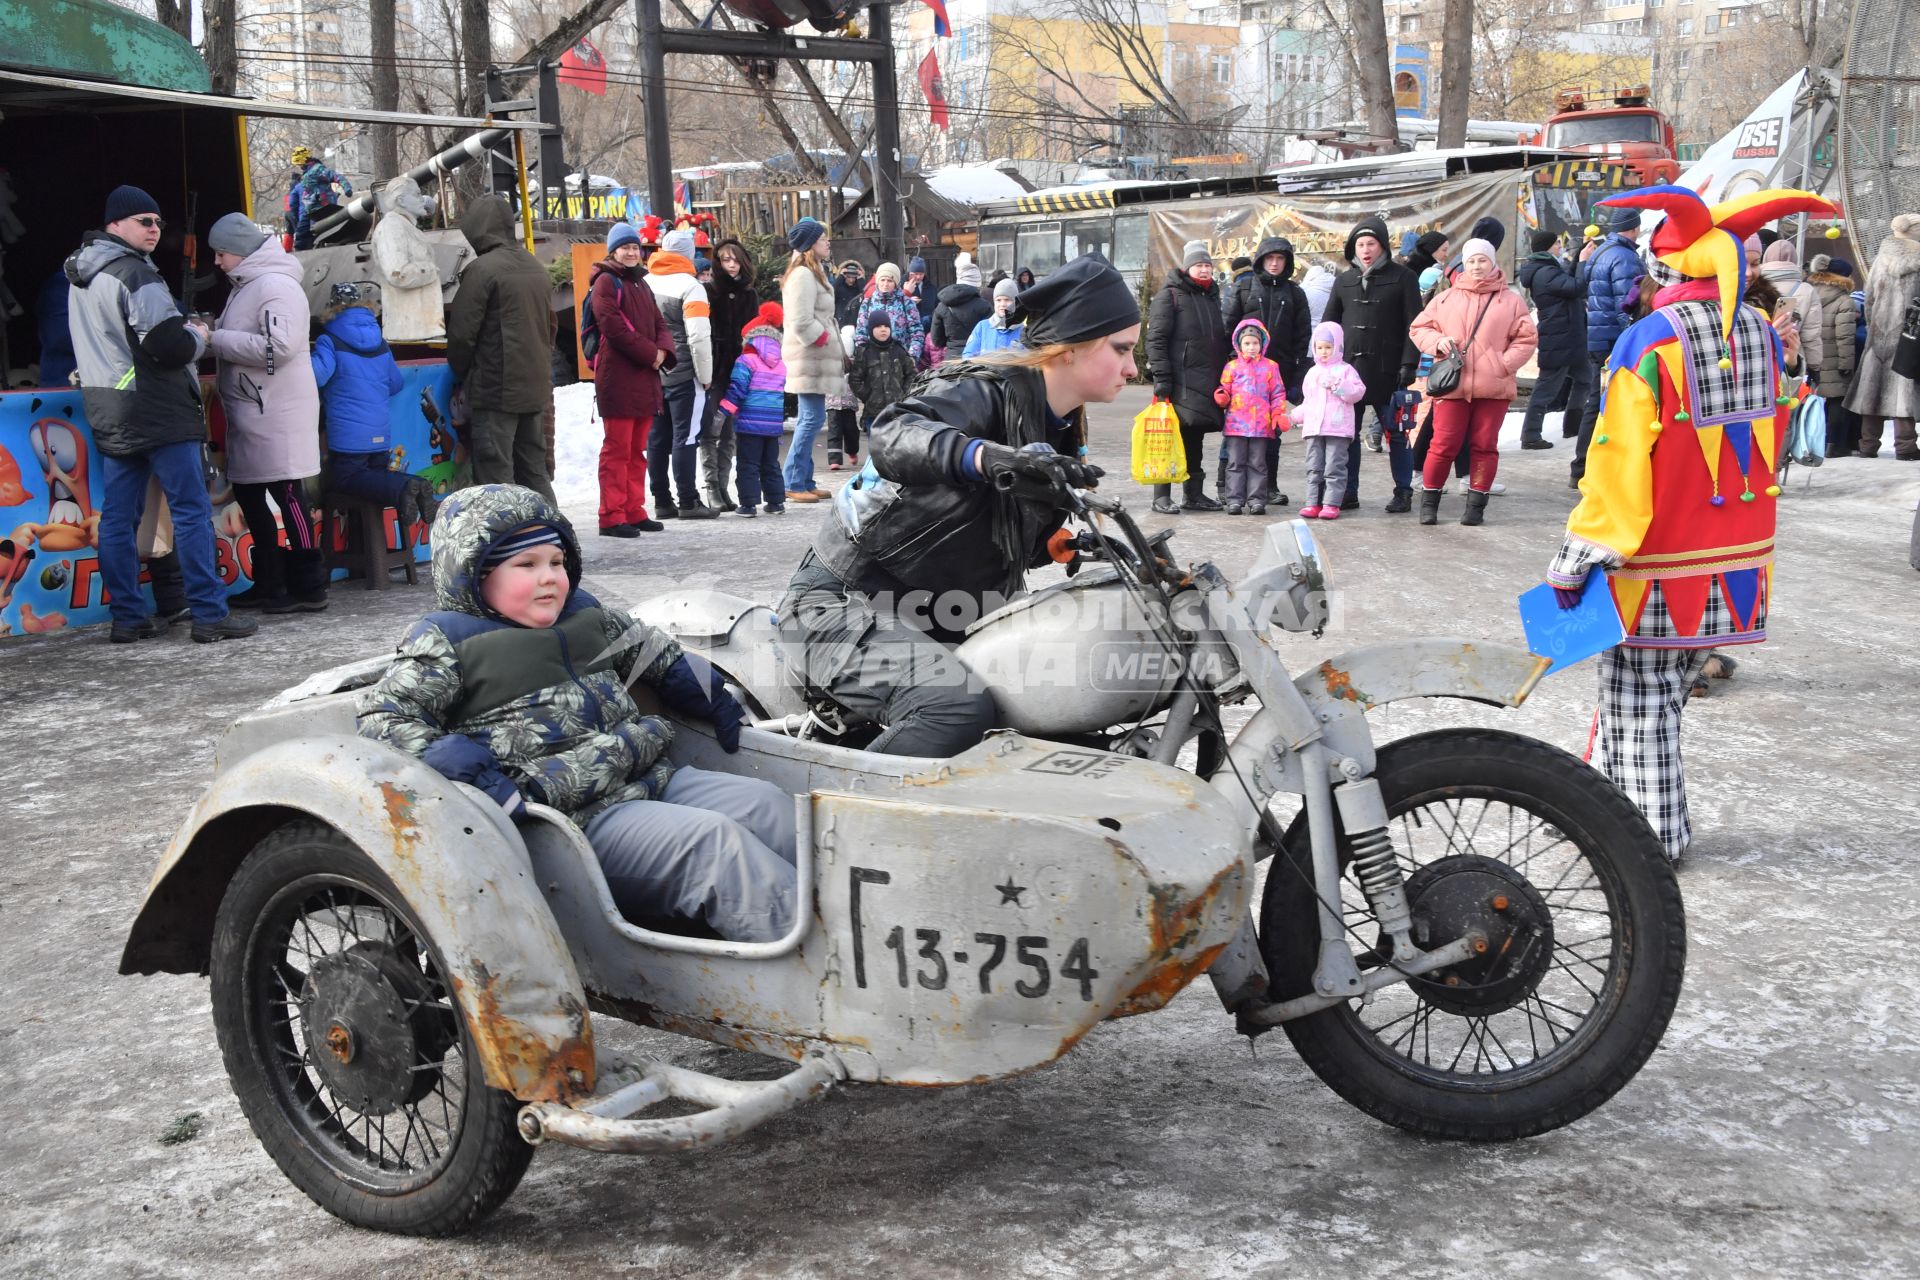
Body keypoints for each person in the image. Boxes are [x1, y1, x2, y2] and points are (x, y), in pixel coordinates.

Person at [357, 484, 795, 941]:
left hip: (649, 774)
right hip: (572, 821)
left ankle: (845, 926)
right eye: (526, 565)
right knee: (714, 848)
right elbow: (384, 719)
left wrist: (703, 688)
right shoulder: (448, 642)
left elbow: (651, 649)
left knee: (766, 805)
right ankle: (820, 970)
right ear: (472, 575)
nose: (549, 577)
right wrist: (457, 765)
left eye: (556, 562)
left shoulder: (585, 613)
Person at [1545, 186, 1834, 861]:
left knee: (1636, 710)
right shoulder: (1760, 334)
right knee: (1658, 704)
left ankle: (1645, 849)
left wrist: (1577, 554)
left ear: (1666, 270)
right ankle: (1617, 832)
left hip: (1652, 569)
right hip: (1733, 568)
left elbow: (1617, 465)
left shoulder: (1648, 342)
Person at [779, 253, 1131, 757]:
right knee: (954, 707)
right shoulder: (979, 389)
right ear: (1070, 349)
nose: (1133, 367)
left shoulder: (1058, 421)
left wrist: (1056, 544)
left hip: (940, 614)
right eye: (1121, 349)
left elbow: (985, 523)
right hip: (839, 604)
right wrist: (984, 456)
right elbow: (893, 432)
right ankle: (838, 820)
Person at [67, 186, 255, 644]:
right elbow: (168, 347)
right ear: (116, 225)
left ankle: (128, 619)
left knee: (117, 518)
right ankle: (210, 614)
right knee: (191, 512)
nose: (154, 230)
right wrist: (201, 333)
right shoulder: (136, 275)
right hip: (159, 409)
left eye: (157, 223)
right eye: (143, 221)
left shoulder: (80, 277)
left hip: (110, 409)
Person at [204, 213, 326, 613]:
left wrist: (216, 338)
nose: (217, 262)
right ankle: (270, 580)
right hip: (256, 409)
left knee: (287, 493)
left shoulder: (273, 284)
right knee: (252, 493)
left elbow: (278, 350)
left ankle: (308, 585)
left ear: (239, 251)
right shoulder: (249, 285)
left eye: (221, 253)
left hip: (276, 410)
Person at [1409, 238, 1537, 527]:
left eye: (1482, 260)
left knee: (1484, 446)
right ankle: (1429, 503)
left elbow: (1526, 338)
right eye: (1471, 261)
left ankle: (1476, 506)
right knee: (1443, 445)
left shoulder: (1511, 301)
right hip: (1453, 387)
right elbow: (1418, 328)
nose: (1477, 266)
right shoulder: (1446, 299)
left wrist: (1504, 364)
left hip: (1493, 389)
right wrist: (1438, 342)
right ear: (1463, 265)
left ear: (1492, 262)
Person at [446, 196, 557, 503]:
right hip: (533, 388)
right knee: (534, 471)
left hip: (497, 390)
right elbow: (549, 328)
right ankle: (555, 541)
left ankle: (507, 546)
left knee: (496, 476)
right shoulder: (535, 266)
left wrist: (462, 373)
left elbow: (462, 335)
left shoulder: (482, 271)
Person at [312, 283, 435, 528]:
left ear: (332, 309)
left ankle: (404, 486)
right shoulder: (380, 342)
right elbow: (396, 383)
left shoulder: (330, 339)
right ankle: (412, 485)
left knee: (344, 480)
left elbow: (316, 375)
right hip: (380, 433)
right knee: (371, 482)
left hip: (348, 438)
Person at [1322, 216, 1423, 512]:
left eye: (1371, 244)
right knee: (1347, 436)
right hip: (1349, 372)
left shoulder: (1404, 278)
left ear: (1383, 246)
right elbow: (1329, 326)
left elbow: (1414, 325)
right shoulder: (1344, 281)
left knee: (1397, 433)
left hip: (1389, 370)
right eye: (1360, 244)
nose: (1365, 250)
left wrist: (1409, 363)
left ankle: (1403, 491)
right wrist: (1326, 365)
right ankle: (1348, 492)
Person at [589, 222, 674, 538]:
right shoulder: (606, 283)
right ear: (613, 251)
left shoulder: (642, 284)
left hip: (644, 377)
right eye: (625, 247)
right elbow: (613, 327)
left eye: (635, 247)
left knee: (637, 450)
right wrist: (651, 354)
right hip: (618, 378)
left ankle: (633, 510)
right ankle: (611, 516)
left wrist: (663, 350)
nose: (631, 252)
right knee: (617, 450)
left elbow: (659, 322)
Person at [1146, 240, 1232, 514]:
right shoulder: (1169, 296)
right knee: (1168, 438)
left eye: (1208, 265)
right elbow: (1156, 340)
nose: (1205, 270)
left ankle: (1193, 495)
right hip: (1177, 381)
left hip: (1205, 381)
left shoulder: (1210, 297)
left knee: (1195, 437)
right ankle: (1161, 496)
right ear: (1187, 268)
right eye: (1199, 265)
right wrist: (1162, 379)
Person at [1223, 235, 1311, 504]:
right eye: (1270, 258)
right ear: (1261, 259)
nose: (1274, 264)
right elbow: (1227, 328)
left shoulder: (1295, 293)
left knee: (1272, 434)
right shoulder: (1244, 287)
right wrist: (1227, 370)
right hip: (1241, 378)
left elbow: (1302, 336)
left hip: (1275, 376)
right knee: (1234, 435)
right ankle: (1226, 488)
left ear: (1287, 262)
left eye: (1280, 259)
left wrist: (1297, 376)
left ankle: (1268, 487)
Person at [642, 227, 717, 520]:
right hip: (684, 373)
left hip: (652, 371)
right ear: (689, 255)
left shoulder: (645, 282)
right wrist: (705, 374)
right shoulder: (692, 286)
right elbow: (698, 337)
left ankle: (662, 501)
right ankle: (689, 500)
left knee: (656, 437)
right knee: (685, 436)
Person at [1570, 205, 1645, 488]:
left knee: (1595, 401)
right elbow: (1626, 304)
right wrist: (1631, 339)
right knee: (1613, 404)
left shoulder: (1601, 252)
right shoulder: (1625, 258)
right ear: (1634, 227)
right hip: (1615, 340)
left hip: (1597, 337)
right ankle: (1597, 467)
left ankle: (1581, 466)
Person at [1845, 214, 1920, 459]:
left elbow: (1869, 298)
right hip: (1909, 334)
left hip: (1879, 334)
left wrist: (1874, 324)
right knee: (1904, 388)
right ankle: (1906, 446)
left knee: (1872, 388)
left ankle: (1868, 445)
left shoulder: (1880, 258)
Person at [779, 218, 843, 503]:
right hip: (809, 358)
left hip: (815, 359)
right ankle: (793, 480)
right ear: (809, 245)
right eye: (822, 239)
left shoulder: (813, 272)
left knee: (810, 417)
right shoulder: (803, 275)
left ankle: (804, 479)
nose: (827, 242)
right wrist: (822, 339)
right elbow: (800, 319)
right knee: (812, 418)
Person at [1516, 229, 1589, 450]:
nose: (1560, 246)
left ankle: (1573, 427)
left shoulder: (1548, 269)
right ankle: (1530, 435)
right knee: (1546, 388)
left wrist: (1578, 257)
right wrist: (1584, 263)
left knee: (1586, 379)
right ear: (1548, 247)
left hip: (1569, 337)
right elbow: (1576, 287)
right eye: (1557, 243)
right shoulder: (1545, 272)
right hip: (1559, 338)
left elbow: (1568, 280)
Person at [703, 237, 760, 511]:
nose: (731, 265)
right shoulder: (709, 290)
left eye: (735, 259)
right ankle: (711, 487)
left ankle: (723, 488)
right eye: (726, 260)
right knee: (710, 428)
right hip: (715, 369)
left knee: (729, 433)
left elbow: (755, 333)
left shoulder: (749, 294)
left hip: (739, 369)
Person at [1213, 318, 1290, 515]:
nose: (1251, 347)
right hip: (1236, 425)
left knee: (1258, 463)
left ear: (1262, 343)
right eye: (1247, 343)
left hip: (1261, 425)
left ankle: (1257, 499)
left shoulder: (1271, 367)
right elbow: (1225, 387)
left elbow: (1278, 393)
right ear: (1239, 344)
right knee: (1235, 462)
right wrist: (1222, 396)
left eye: (1255, 343)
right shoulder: (1232, 367)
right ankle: (1234, 500)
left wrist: (1278, 413)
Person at [1295, 322, 1368, 519]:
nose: (1324, 351)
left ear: (1338, 346)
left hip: (1337, 429)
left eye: (1328, 347)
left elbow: (1357, 393)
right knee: (1314, 466)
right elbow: (1309, 400)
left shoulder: (1346, 370)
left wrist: (1338, 385)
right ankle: (1312, 503)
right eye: (1320, 347)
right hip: (1313, 429)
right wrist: (1296, 415)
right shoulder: (1312, 373)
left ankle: (1331, 503)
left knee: (1334, 467)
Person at [720, 302, 788, 517]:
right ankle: (776, 502)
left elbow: (737, 389)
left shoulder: (746, 360)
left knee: (748, 463)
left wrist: (724, 410)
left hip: (750, 423)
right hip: (772, 423)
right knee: (771, 463)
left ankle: (748, 504)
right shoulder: (780, 364)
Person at [1805, 255, 1859, 457]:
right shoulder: (1845, 300)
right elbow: (1844, 336)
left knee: (1813, 401)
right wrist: (1847, 363)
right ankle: (1834, 444)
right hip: (1835, 358)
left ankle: (1811, 443)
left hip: (1813, 356)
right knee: (1837, 401)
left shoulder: (1809, 294)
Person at [1757, 240, 1824, 377]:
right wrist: (1814, 367)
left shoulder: (1752, 286)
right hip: (1793, 359)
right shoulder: (1807, 290)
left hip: (1759, 359)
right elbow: (1811, 335)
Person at [849, 313, 918, 443]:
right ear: (871, 329)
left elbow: (912, 374)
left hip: (897, 411)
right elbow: (855, 379)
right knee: (876, 448)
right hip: (873, 413)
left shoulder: (899, 350)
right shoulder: (864, 352)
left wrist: (904, 393)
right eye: (878, 326)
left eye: (886, 326)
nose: (883, 329)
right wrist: (867, 395)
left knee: (896, 447)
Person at [854, 261, 926, 364]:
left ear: (896, 283)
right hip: (874, 362)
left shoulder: (906, 303)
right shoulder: (867, 303)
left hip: (901, 361)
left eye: (890, 281)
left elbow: (917, 332)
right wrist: (863, 356)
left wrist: (912, 357)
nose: (885, 284)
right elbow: (861, 333)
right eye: (882, 280)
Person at [929, 252, 992, 363]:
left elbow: (937, 341)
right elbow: (990, 337)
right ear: (977, 283)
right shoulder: (984, 306)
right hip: (977, 361)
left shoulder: (942, 306)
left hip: (951, 362)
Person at [287, 145, 350, 250]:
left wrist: (346, 187)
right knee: (302, 235)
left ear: (302, 160)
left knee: (316, 233)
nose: (298, 166)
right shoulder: (307, 173)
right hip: (311, 210)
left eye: (298, 163)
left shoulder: (317, 169)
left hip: (322, 208)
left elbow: (335, 176)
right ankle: (302, 255)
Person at [964, 278, 1025, 355]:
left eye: (1007, 300)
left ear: (1016, 302)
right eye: (998, 300)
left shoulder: (1024, 331)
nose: (1002, 304)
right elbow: (968, 355)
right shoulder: (982, 327)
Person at [1406, 230, 1450, 304]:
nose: (1447, 254)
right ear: (1432, 249)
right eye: (1444, 250)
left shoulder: (1435, 267)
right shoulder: (1413, 272)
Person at [903, 256, 937, 345]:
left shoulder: (931, 288)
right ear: (910, 272)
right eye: (915, 273)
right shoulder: (900, 286)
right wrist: (908, 300)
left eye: (921, 274)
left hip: (927, 330)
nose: (918, 277)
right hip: (908, 331)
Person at [833, 259, 868, 330]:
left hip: (855, 322)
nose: (851, 280)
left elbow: (865, 296)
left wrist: (861, 279)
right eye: (848, 277)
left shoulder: (859, 285)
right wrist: (840, 277)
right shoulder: (839, 285)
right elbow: (832, 294)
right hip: (840, 321)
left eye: (853, 277)